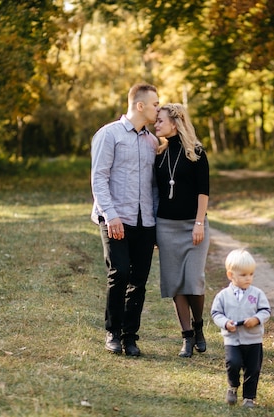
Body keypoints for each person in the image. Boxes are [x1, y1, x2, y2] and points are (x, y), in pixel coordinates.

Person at [90, 83, 160, 356]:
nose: (158, 108)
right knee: (119, 274)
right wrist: (111, 216)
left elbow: (154, 186)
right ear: (140, 105)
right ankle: (112, 333)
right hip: (116, 218)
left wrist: (154, 222)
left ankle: (130, 336)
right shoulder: (109, 135)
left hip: (145, 222)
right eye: (155, 104)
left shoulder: (152, 141)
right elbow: (99, 177)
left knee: (139, 281)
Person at [154, 103, 210, 358]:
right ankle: (187, 337)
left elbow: (203, 191)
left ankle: (199, 326)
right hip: (166, 226)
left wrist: (199, 222)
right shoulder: (158, 153)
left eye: (160, 121)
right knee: (176, 283)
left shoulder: (197, 152)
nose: (156, 125)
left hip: (193, 226)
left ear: (175, 123)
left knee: (194, 281)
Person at [211, 249, 271, 408]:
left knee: (253, 368)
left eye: (251, 274)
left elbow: (265, 311)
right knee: (233, 362)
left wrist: (256, 319)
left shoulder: (257, 294)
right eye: (244, 275)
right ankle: (232, 386)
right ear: (231, 275)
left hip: (253, 339)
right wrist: (225, 323)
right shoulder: (223, 296)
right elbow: (216, 313)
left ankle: (249, 398)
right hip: (233, 339)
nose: (248, 278)